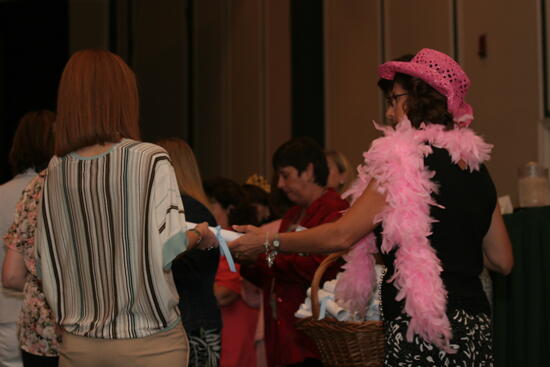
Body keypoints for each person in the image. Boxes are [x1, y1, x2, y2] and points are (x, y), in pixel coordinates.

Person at [231, 49, 514, 366]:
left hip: (419, 327)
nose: (390, 113)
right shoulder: (475, 167)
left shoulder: (400, 162)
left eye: (394, 99)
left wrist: (268, 241)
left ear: (419, 97)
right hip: (473, 325)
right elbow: (502, 260)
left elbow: (341, 235)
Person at [33, 49, 218, 367]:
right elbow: (168, 246)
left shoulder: (57, 168)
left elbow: (45, 256)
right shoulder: (149, 158)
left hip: (79, 346)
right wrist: (200, 233)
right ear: (123, 97)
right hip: (149, 344)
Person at [239, 137, 350, 367]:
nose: (279, 184)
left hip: (312, 339)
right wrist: (247, 259)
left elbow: (319, 267)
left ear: (308, 171)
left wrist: (262, 252)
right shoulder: (292, 215)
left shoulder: (335, 211)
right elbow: (273, 275)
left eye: (285, 175)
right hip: (282, 336)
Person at [155, 138, 221, 367]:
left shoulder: (184, 209)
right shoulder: (197, 207)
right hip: (198, 318)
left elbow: (176, 267)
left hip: (190, 322)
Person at [1, 110, 56, 367]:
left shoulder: (4, 194)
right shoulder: (54, 190)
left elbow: (11, 274)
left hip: (12, 321)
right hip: (54, 325)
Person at [204, 178, 260, 367]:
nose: (204, 207)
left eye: (211, 203)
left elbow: (225, 293)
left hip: (232, 333)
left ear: (229, 209)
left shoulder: (231, 241)